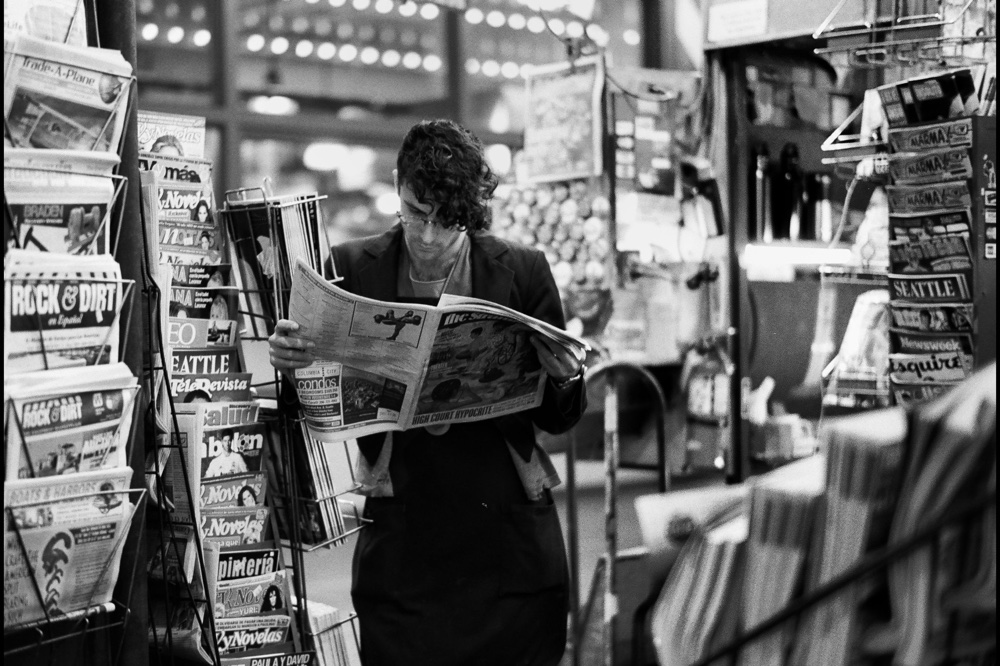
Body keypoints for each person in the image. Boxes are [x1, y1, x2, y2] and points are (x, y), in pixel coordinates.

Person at [268, 119, 586, 666]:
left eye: (450, 221)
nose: (431, 236)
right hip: (406, 538)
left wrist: (564, 377)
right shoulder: (348, 269)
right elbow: (314, 409)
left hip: (504, 535)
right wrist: (293, 366)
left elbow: (560, 417)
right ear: (397, 186)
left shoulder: (524, 270)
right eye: (417, 213)